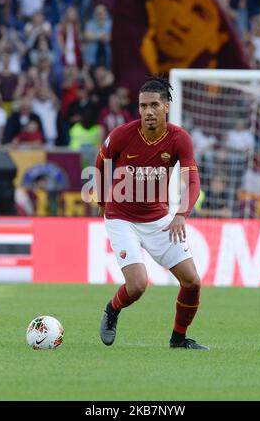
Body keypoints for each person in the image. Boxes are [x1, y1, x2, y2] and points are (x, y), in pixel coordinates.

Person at [95, 76, 209, 350]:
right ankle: (112, 310)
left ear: (166, 106)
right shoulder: (123, 134)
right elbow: (101, 163)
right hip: (122, 218)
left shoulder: (179, 139)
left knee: (192, 281)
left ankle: (178, 339)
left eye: (154, 105)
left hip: (159, 218)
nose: (147, 111)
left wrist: (182, 213)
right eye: (143, 106)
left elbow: (192, 179)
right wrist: (101, 201)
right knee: (137, 285)